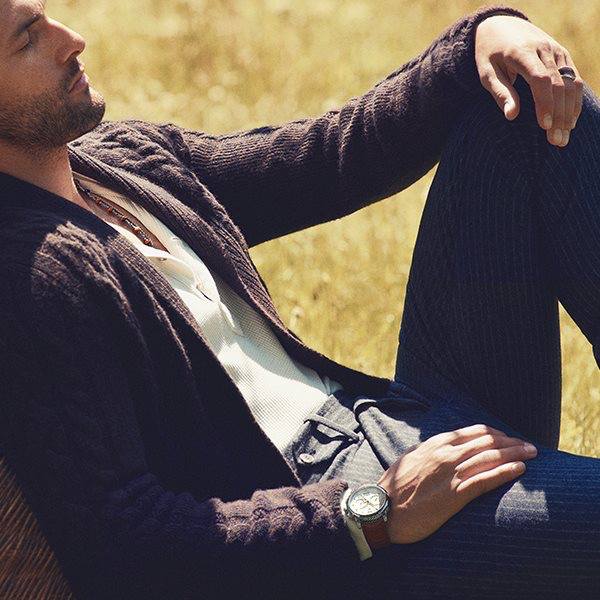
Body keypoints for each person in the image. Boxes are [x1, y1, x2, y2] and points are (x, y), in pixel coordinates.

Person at [0, 0, 596, 598]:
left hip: (391, 417)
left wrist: (477, 41)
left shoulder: (124, 163)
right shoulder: (28, 274)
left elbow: (333, 155)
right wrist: (370, 513)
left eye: (48, 14)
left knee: (523, 110)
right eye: (27, 39)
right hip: (336, 521)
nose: (71, 39)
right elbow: (123, 542)